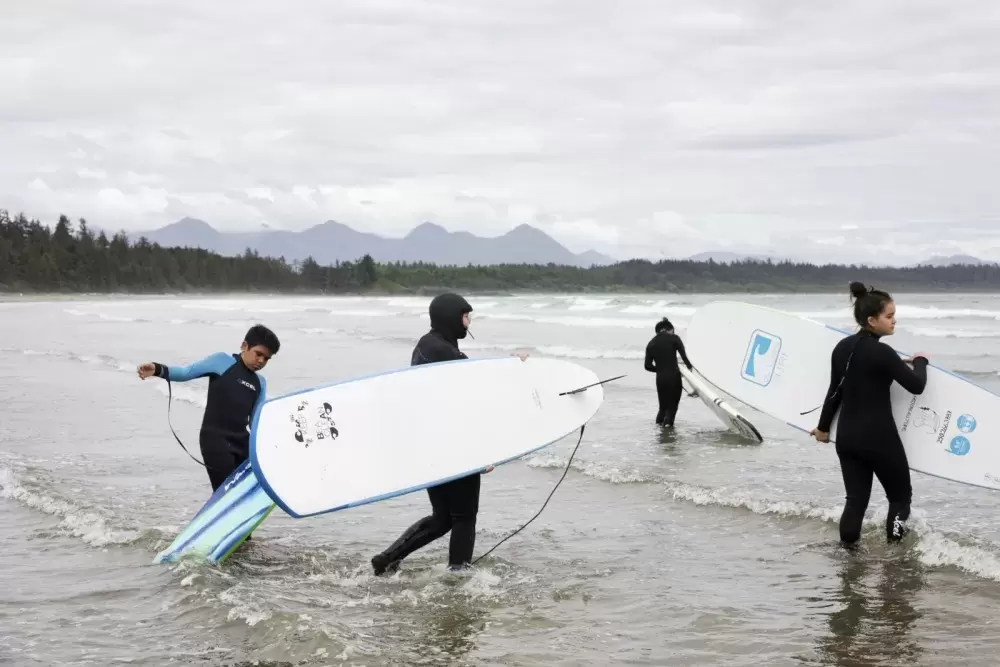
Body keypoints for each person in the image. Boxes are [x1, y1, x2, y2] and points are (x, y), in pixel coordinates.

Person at [371, 292, 525, 575]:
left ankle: (386, 559)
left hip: (431, 442)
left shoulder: (429, 346)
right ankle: (459, 575)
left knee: (443, 519)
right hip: (452, 445)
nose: (469, 323)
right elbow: (478, 390)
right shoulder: (441, 350)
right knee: (464, 516)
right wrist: (515, 365)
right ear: (452, 318)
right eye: (466, 317)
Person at [810, 282, 928, 550]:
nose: (894, 320)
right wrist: (921, 361)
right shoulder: (883, 352)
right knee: (899, 499)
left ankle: (848, 556)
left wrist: (823, 428)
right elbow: (916, 386)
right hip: (879, 438)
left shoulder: (841, 347)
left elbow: (834, 392)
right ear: (872, 321)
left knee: (855, 500)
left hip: (848, 440)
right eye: (889, 316)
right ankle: (895, 553)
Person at [137, 324, 280, 493]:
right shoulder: (221, 362)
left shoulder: (260, 383)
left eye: (267, 358)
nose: (261, 361)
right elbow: (186, 372)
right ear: (244, 346)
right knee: (226, 492)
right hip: (216, 440)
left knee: (252, 486)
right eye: (259, 354)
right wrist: (157, 369)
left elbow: (257, 421)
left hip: (242, 442)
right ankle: (222, 516)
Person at [644, 317, 693, 427]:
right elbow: (685, 357)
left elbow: (647, 366)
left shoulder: (651, 343)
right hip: (674, 377)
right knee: (672, 408)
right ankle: (667, 435)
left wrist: (661, 369)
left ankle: (658, 430)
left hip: (660, 379)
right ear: (669, 329)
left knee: (662, 408)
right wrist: (690, 369)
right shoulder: (674, 338)